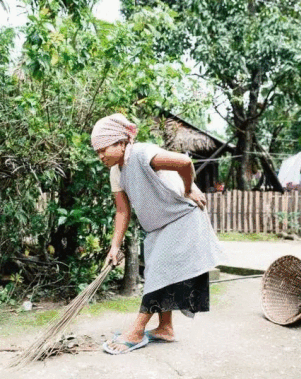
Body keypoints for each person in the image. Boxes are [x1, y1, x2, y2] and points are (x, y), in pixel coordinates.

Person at [91, 113, 225, 355]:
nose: (101, 156)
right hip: (157, 226)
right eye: (97, 152)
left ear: (122, 142)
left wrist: (187, 190)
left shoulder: (142, 154)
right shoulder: (116, 171)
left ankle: (136, 330)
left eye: (104, 149)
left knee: (160, 273)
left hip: (181, 217)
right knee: (158, 272)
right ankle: (165, 328)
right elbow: (122, 211)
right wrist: (114, 246)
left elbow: (184, 163)